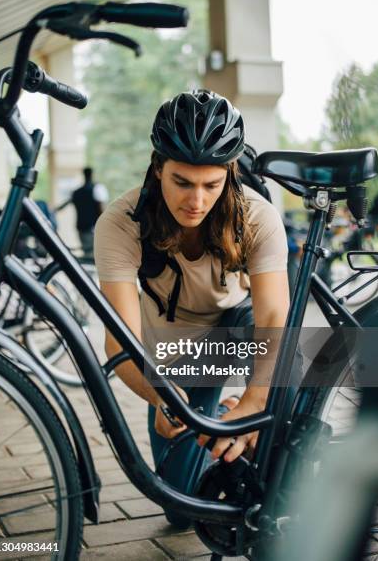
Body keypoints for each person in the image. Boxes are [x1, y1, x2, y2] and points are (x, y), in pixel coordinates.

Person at [94, 90, 289, 528]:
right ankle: (219, 422)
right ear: (158, 167)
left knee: (291, 350)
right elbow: (118, 340)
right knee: (181, 511)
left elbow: (275, 317)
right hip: (174, 357)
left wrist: (256, 402)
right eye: (182, 182)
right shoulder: (120, 222)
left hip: (235, 328)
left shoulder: (256, 216)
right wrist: (161, 398)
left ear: (230, 174)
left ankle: (275, 456)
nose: (197, 200)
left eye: (211, 185)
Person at [59, 167, 109, 257]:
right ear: (92, 174)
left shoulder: (76, 192)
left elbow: (64, 205)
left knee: (87, 253)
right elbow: (101, 209)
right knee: (95, 254)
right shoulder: (97, 189)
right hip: (93, 227)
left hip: (81, 226)